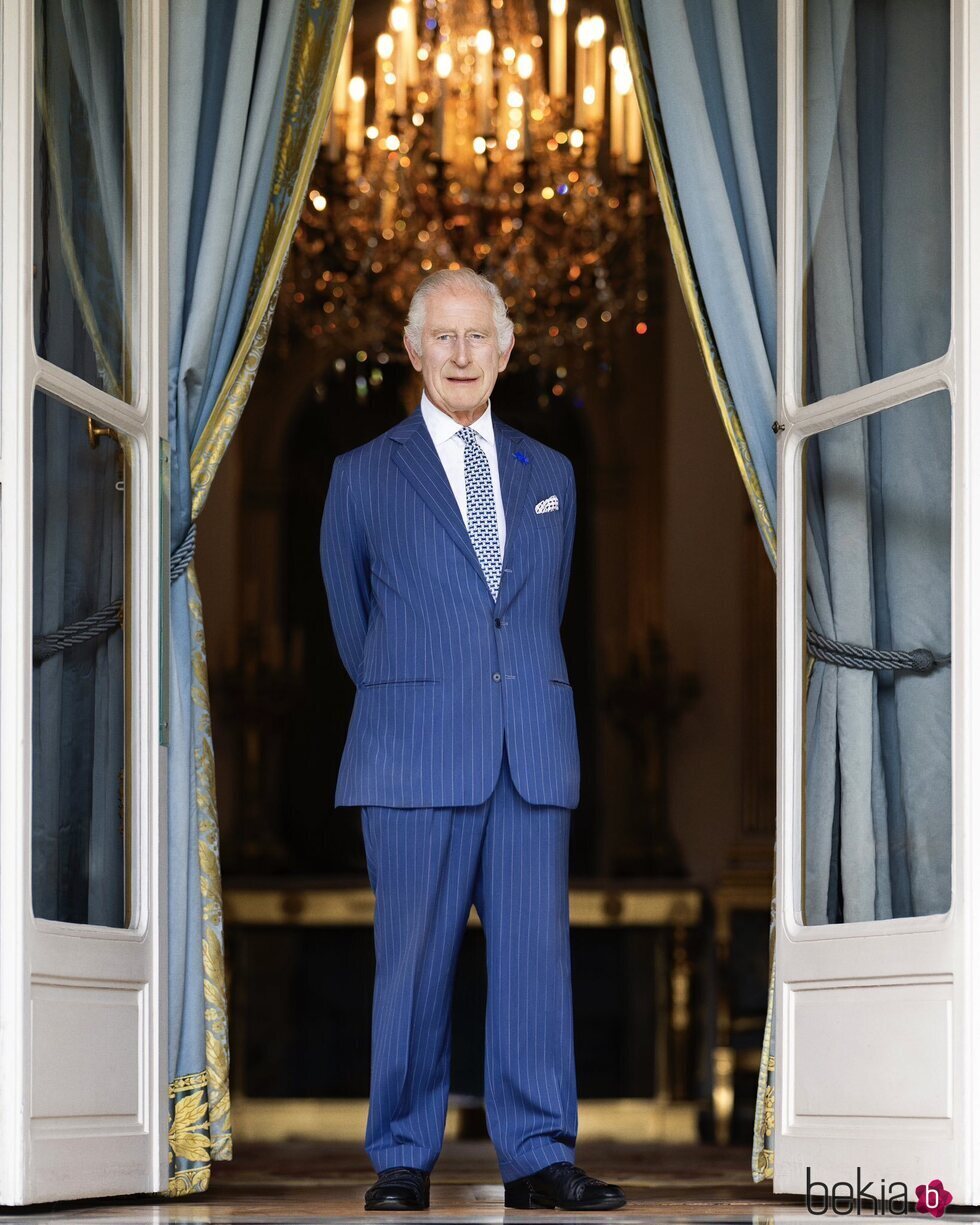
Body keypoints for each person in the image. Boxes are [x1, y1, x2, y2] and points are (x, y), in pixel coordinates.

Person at [320, 268, 626, 1212]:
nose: (460, 355)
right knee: (410, 961)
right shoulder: (363, 474)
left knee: (536, 960)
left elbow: (542, 610)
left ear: (505, 350)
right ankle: (403, 1156)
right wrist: (423, 693)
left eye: (476, 337)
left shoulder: (553, 475)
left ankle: (537, 1155)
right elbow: (349, 620)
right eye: (441, 338)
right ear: (412, 351)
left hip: (529, 748)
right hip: (411, 748)